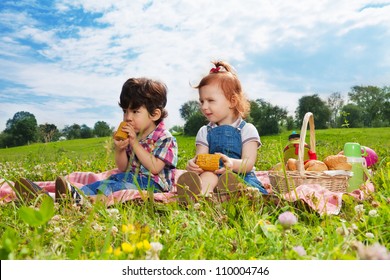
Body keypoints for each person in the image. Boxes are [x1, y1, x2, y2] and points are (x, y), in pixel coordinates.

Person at [14, 77, 178, 204]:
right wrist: (120, 149)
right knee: (101, 184)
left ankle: (75, 201)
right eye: (125, 111)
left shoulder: (164, 137)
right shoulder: (134, 134)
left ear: (154, 114)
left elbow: (155, 168)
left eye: (135, 111)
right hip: (129, 178)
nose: (128, 117)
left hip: (154, 185)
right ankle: (49, 197)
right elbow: (123, 168)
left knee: (114, 189)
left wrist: (135, 144)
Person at [176, 61, 267, 202]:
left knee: (236, 184)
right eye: (202, 101)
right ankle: (203, 197)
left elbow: (248, 164)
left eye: (210, 100)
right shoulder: (205, 131)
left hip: (240, 175)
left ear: (232, 101)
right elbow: (201, 158)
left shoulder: (247, 129)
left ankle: (224, 196)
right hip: (212, 174)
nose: (204, 107)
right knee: (207, 176)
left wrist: (231, 163)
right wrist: (193, 164)